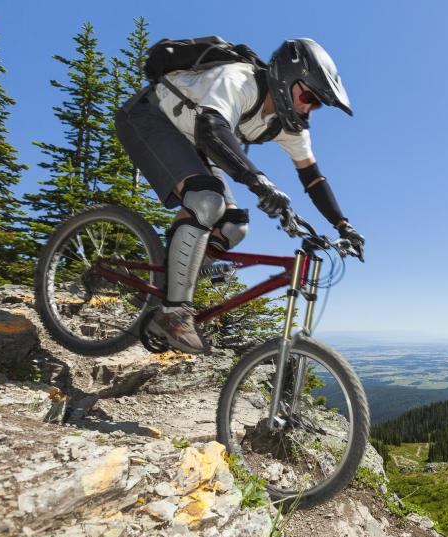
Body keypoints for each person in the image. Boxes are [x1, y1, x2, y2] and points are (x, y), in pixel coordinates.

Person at [114, 38, 364, 353]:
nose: (309, 109)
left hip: (193, 144)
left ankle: (165, 283)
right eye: (309, 96)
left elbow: (313, 179)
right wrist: (259, 181)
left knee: (234, 226)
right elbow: (212, 128)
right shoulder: (239, 79)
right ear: (287, 78)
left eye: (316, 104)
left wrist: (344, 225)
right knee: (207, 201)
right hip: (150, 118)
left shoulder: (290, 128)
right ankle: (173, 313)